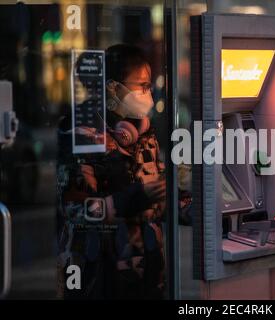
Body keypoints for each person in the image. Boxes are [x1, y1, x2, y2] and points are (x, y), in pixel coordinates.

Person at [56, 44, 166, 299]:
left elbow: (157, 193)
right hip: (98, 275)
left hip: (146, 271)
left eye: (150, 86)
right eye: (142, 85)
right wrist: (127, 200)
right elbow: (74, 211)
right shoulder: (81, 135)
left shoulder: (144, 132)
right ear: (113, 88)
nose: (148, 94)